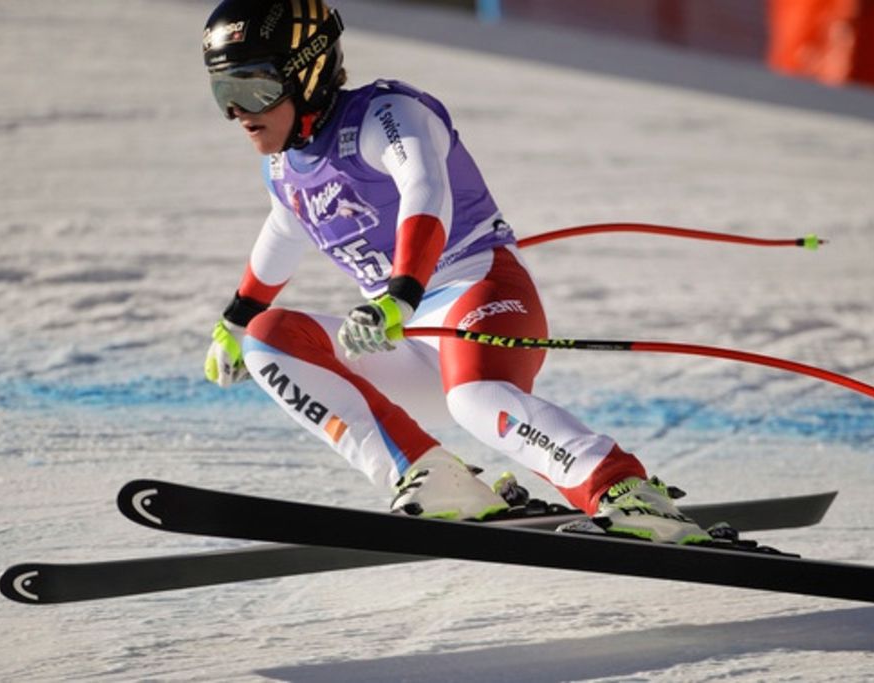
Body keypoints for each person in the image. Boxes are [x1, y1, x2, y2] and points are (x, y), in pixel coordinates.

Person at [201, 0, 711, 544]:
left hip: (479, 288)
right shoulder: (282, 166)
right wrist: (237, 321)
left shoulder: (385, 114)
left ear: (309, 70)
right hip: (408, 338)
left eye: (252, 89)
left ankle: (623, 492)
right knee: (268, 342)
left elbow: (425, 191)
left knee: (474, 398)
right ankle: (435, 478)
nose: (239, 113)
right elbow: (285, 230)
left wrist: (399, 295)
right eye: (223, 95)